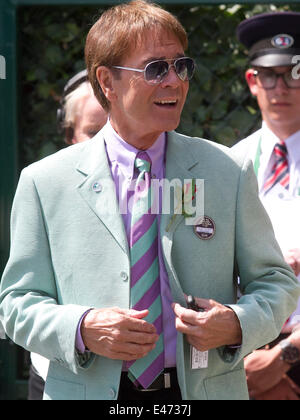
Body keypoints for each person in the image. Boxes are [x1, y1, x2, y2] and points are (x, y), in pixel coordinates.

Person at [0, 0, 299, 401]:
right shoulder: (44, 182)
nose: (174, 81)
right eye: (156, 68)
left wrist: (236, 322)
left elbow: (275, 283)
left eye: (182, 66)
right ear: (107, 81)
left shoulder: (226, 170)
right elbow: (16, 305)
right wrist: (82, 328)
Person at [28, 70, 107, 400]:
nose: (107, 142)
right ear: (69, 134)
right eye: (93, 132)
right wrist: (82, 328)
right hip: (58, 378)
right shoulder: (42, 193)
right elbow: (21, 302)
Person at [233, 12, 300, 400]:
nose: (281, 87)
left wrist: (282, 359)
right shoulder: (228, 164)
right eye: (269, 75)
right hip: (246, 355)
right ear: (252, 81)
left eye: (293, 73)